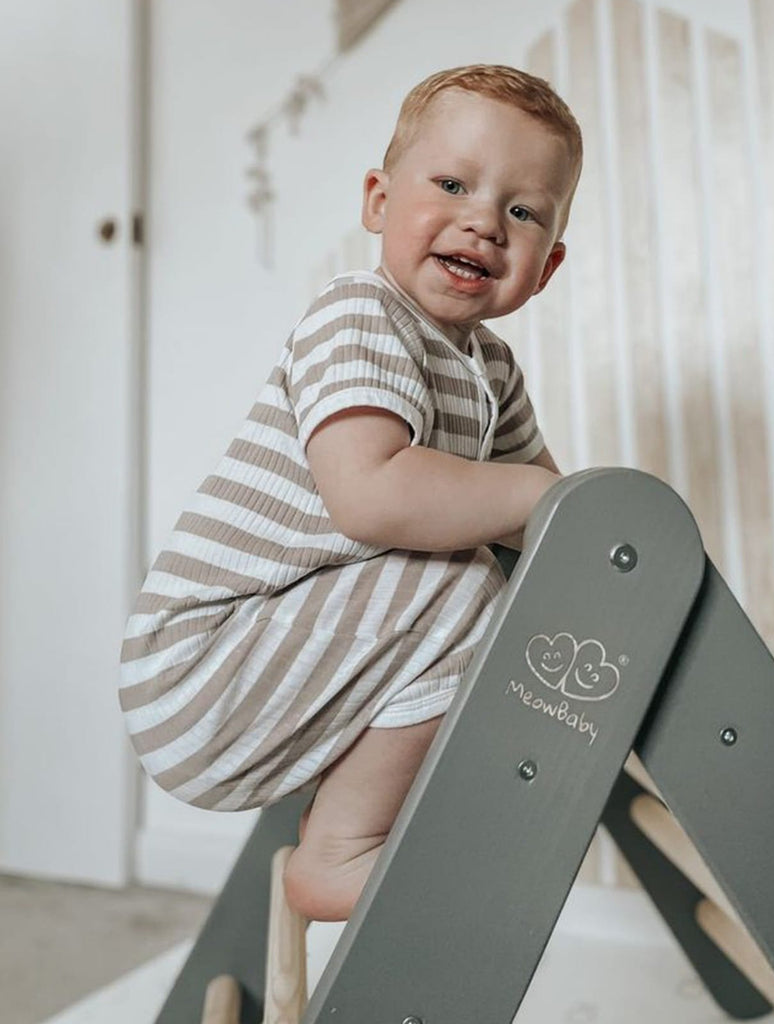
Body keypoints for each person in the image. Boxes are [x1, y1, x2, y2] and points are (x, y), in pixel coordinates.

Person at [119, 64, 583, 921]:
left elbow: (550, 517)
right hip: (201, 668)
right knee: (463, 576)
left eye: (522, 212)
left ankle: (353, 817)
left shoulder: (490, 370)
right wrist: (542, 504)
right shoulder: (358, 315)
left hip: (285, 661)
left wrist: (611, 565)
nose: (484, 221)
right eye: (452, 184)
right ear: (377, 201)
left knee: (488, 568)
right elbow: (371, 494)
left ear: (545, 267)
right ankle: (337, 850)